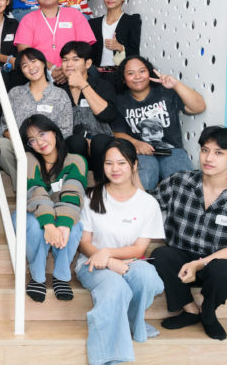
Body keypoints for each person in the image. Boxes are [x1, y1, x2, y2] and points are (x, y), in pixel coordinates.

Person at [151, 126, 227, 341]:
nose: (208, 158)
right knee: (161, 255)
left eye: (218, 153)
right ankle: (190, 310)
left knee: (225, 272)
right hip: (181, 256)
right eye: (205, 150)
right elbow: (147, 206)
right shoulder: (179, 181)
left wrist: (199, 263)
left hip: (218, 260)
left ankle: (208, 313)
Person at [76, 139, 165, 365]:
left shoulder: (148, 203)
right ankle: (108, 357)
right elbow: (84, 242)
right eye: (109, 163)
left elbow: (140, 249)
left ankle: (132, 322)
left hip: (130, 261)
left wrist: (108, 254)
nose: (115, 169)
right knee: (115, 286)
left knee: (148, 276)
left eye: (122, 163)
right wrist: (106, 261)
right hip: (92, 263)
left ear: (134, 165)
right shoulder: (91, 197)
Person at [110, 55, 206, 190]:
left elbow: (199, 107)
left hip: (172, 150)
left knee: (184, 184)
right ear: (123, 79)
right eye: (130, 73)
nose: (137, 76)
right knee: (145, 177)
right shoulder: (120, 101)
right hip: (141, 152)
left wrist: (176, 84)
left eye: (142, 71)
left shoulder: (165, 92)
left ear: (149, 73)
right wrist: (136, 143)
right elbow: (117, 132)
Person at [19, 114, 85, 302]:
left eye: (42, 134)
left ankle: (61, 277)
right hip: (31, 212)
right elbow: (35, 192)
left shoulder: (76, 160)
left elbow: (73, 192)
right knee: (35, 226)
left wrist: (63, 224)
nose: (39, 142)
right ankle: (37, 277)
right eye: (32, 140)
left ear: (54, 132)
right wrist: (48, 225)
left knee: (75, 226)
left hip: (62, 210)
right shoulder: (28, 159)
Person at [0, 48, 73, 189]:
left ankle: (37, 185)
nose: (31, 67)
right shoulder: (15, 93)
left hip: (49, 149)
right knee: (1, 145)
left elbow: (66, 131)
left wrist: (44, 143)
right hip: (21, 148)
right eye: (25, 65)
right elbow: (3, 127)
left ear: (43, 63)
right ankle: (25, 186)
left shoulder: (60, 94)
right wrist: (19, 139)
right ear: (22, 71)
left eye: (33, 61)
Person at [13, 0, 96, 84]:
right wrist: (51, 67)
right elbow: (24, 50)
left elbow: (84, 47)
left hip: (74, 71)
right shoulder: (27, 20)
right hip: (40, 73)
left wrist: (67, 68)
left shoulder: (75, 14)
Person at [59, 41, 118, 181]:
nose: (69, 64)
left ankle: (102, 186)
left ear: (88, 63)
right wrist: (84, 139)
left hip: (101, 149)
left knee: (100, 141)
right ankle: (76, 185)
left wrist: (83, 84)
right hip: (72, 148)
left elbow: (107, 115)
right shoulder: (58, 91)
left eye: (75, 59)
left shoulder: (102, 86)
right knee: (76, 141)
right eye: (65, 60)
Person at [89, 0, 142, 76]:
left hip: (119, 75)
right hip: (95, 75)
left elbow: (135, 53)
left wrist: (120, 48)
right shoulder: (93, 23)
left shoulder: (132, 21)